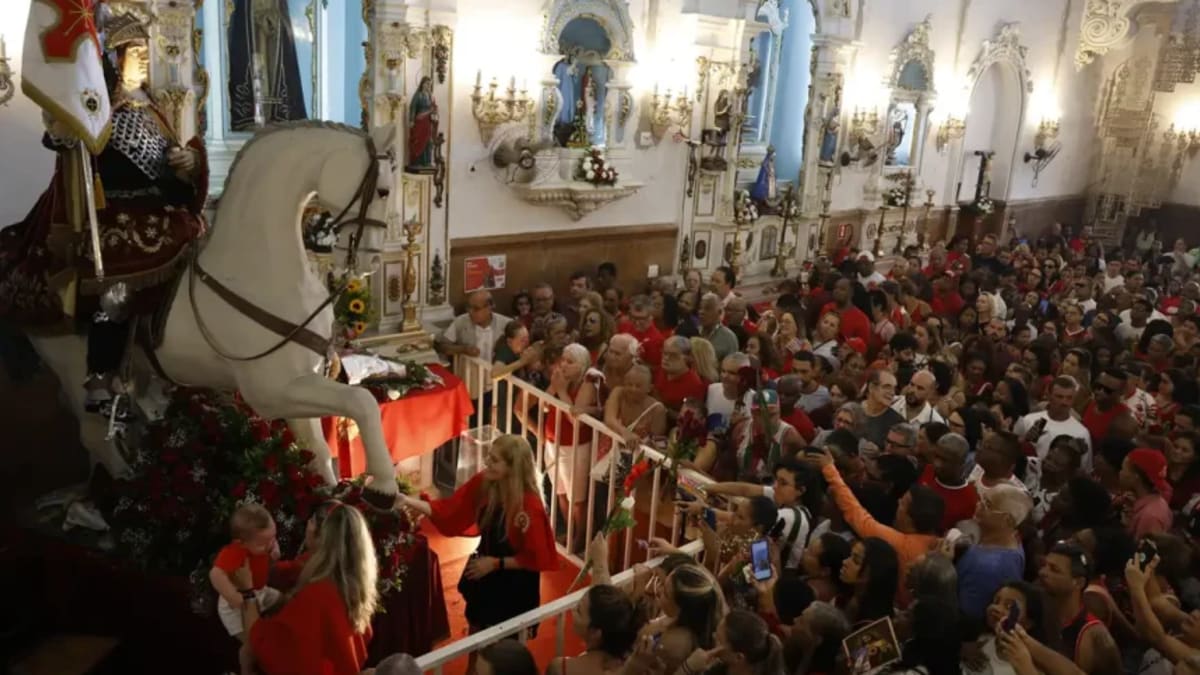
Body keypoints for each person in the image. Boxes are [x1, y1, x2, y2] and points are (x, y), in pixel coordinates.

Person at [0, 9, 206, 414]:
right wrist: (62, 130)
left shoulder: (151, 109)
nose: (145, 60)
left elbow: (167, 171)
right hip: (116, 214)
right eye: (136, 53)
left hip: (161, 213)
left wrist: (189, 165)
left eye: (147, 53)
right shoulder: (99, 108)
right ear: (115, 57)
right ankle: (102, 372)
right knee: (118, 283)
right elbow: (69, 147)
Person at [397, 435, 557, 637]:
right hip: (486, 569)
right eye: (489, 456)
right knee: (476, 627)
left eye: (495, 460)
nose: (487, 462)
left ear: (513, 468)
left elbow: (535, 559)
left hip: (513, 582)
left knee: (506, 643)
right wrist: (408, 501)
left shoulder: (530, 507)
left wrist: (495, 563)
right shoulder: (486, 482)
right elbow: (451, 509)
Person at [238, 502, 377, 675]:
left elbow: (262, 644)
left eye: (311, 521)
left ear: (320, 537)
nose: (307, 525)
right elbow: (287, 572)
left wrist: (247, 592)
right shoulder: (351, 579)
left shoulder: (316, 595)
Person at [805, 448, 942, 607]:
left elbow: (856, 515)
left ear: (912, 518)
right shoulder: (938, 544)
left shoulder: (903, 544)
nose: (898, 502)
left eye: (903, 504)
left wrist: (830, 469)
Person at [1036, 541, 1121, 674]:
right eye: (1044, 565)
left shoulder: (1092, 635)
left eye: (1054, 569)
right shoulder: (1036, 610)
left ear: (1079, 582)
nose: (1043, 572)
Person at [954, 484, 1031, 623]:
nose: (979, 505)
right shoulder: (1011, 538)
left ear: (1007, 520)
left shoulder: (991, 567)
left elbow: (967, 615)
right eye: (982, 499)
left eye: (988, 505)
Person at [210, 504, 281, 641]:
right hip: (235, 606)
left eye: (273, 538)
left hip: (259, 591)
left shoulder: (263, 544)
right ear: (241, 543)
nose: (270, 545)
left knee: (283, 601)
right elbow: (215, 573)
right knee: (251, 641)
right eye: (263, 544)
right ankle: (248, 657)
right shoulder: (235, 551)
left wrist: (272, 560)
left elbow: (265, 566)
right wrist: (232, 595)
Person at [1013, 376, 1092, 467]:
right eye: (1059, 397)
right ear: (1049, 396)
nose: (1064, 402)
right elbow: (1011, 452)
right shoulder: (1029, 420)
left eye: (1069, 398)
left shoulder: (1081, 433)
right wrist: (1025, 440)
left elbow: (1083, 469)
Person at [918, 432, 978, 532]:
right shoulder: (928, 470)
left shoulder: (970, 500)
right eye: (937, 456)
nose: (937, 464)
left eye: (945, 460)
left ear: (961, 464)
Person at [1121, 448, 1173, 539]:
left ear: (1135, 476)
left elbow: (1141, 551)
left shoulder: (1150, 516)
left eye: (1123, 469)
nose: (1120, 473)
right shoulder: (1153, 501)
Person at [862, 369, 907, 448]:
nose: (892, 393)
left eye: (894, 388)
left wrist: (879, 453)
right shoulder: (853, 410)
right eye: (887, 387)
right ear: (871, 387)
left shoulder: (898, 422)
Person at [698, 292, 740, 361]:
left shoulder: (729, 338)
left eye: (707, 308)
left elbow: (732, 367)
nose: (701, 312)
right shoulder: (694, 332)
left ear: (719, 312)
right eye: (700, 308)